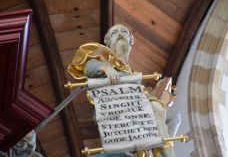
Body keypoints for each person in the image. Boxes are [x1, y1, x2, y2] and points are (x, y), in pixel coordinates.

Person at [68, 24, 180, 157]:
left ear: (131, 41)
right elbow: (88, 66)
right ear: (107, 42)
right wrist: (105, 68)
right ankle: (167, 152)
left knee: (173, 115)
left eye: (124, 32)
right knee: (155, 108)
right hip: (113, 105)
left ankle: (154, 150)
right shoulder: (104, 55)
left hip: (135, 106)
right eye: (114, 33)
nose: (120, 33)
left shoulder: (131, 73)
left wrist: (159, 92)